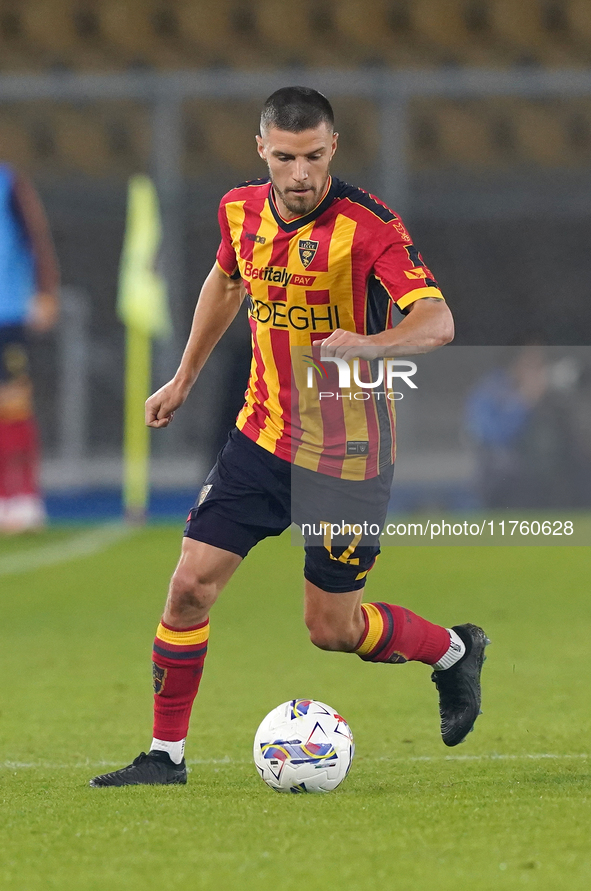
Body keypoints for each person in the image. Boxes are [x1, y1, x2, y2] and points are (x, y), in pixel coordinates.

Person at [91, 87, 488, 787]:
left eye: (311, 156)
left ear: (332, 148)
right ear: (261, 151)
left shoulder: (368, 228)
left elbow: (437, 321)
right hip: (261, 436)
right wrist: (182, 378)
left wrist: (370, 343)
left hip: (348, 456)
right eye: (283, 157)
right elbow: (224, 283)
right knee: (187, 590)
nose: (298, 173)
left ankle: (454, 651)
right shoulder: (237, 210)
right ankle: (165, 756)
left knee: (330, 629)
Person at [0, 164, 59, 533]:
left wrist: (46, 291)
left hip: (8, 311)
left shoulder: (9, 182)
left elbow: (36, 237)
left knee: (14, 404)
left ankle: (22, 496)